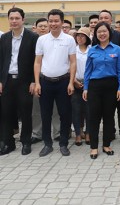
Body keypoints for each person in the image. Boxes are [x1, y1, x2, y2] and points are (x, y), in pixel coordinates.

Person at [34, 9, 76, 157]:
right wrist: (37, 82)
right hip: (45, 82)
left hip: (63, 82)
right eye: (50, 21)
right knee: (46, 114)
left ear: (62, 22)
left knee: (65, 114)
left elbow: (72, 62)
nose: (53, 24)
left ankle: (63, 143)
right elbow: (37, 63)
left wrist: (71, 82)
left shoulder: (69, 40)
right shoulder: (42, 40)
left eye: (56, 21)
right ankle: (47, 144)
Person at [82, 22, 120, 159]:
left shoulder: (117, 49)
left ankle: (106, 144)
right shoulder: (92, 50)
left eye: (104, 31)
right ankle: (94, 147)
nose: (102, 34)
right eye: (99, 31)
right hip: (95, 86)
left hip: (111, 86)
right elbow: (87, 71)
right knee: (93, 117)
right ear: (95, 34)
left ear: (109, 32)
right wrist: (86, 88)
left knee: (108, 117)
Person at [0, 8, 38, 155]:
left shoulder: (32, 37)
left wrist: (34, 81)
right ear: (8, 19)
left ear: (23, 19)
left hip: (25, 81)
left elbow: (36, 61)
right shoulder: (4, 38)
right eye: (11, 18)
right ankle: (8, 143)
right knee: (6, 113)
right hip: (7, 81)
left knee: (26, 112)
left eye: (17, 18)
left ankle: (26, 142)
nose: (14, 21)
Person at [95, 10, 120, 144]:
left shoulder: (119, 35)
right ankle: (110, 132)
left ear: (111, 20)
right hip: (102, 80)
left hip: (117, 78)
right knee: (106, 109)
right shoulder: (97, 36)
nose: (103, 19)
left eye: (106, 18)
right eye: (101, 17)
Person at [31, 18, 61, 144]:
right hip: (36, 80)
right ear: (35, 28)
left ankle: (57, 132)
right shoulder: (31, 41)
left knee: (55, 108)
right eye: (40, 26)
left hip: (53, 79)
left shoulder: (53, 41)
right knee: (37, 109)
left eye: (45, 26)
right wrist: (33, 81)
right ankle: (37, 133)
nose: (43, 28)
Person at [72, 27, 91, 146]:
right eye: (78, 36)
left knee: (89, 110)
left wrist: (87, 84)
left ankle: (88, 133)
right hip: (75, 83)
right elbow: (68, 66)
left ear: (88, 38)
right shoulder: (72, 50)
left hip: (89, 84)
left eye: (83, 36)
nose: (80, 38)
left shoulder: (92, 50)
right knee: (76, 110)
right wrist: (73, 80)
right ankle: (78, 134)